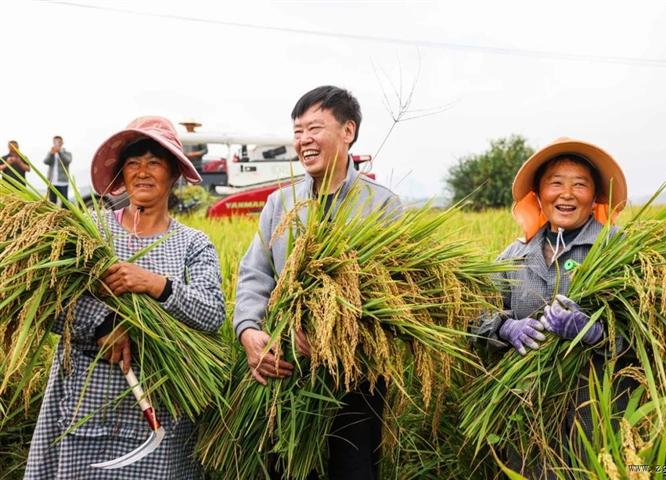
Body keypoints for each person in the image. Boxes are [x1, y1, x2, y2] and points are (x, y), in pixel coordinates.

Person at [24, 116, 226, 479]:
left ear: (174, 173)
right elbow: (46, 301)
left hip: (160, 414)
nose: (142, 172)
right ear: (122, 173)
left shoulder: (193, 244)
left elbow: (212, 313)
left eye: (154, 162)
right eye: (133, 163)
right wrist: (102, 326)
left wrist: (155, 284)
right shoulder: (92, 230)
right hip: (86, 405)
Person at [233, 85, 402, 480]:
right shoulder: (281, 203)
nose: (304, 140)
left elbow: (399, 297)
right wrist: (249, 332)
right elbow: (255, 274)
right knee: (289, 469)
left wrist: (336, 333)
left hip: (356, 377)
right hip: (286, 371)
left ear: (348, 131)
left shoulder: (381, 206)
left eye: (314, 128)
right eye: (297, 132)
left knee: (355, 471)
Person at [473, 137, 633, 477]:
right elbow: (474, 316)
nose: (567, 193)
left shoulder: (618, 250)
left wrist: (595, 332)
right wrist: (504, 328)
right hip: (527, 415)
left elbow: (649, 330)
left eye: (580, 184)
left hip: (599, 415)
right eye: (555, 183)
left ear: (595, 197)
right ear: (538, 194)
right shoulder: (514, 256)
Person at [43, 135, 72, 206]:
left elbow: (67, 161)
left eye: (58, 141)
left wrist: (60, 152)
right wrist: (51, 154)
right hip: (52, 182)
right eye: (55, 142)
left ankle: (64, 215)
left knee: (65, 203)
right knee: (52, 202)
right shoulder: (51, 153)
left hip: (63, 182)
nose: (57, 143)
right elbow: (46, 161)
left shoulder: (67, 153)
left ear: (62, 142)